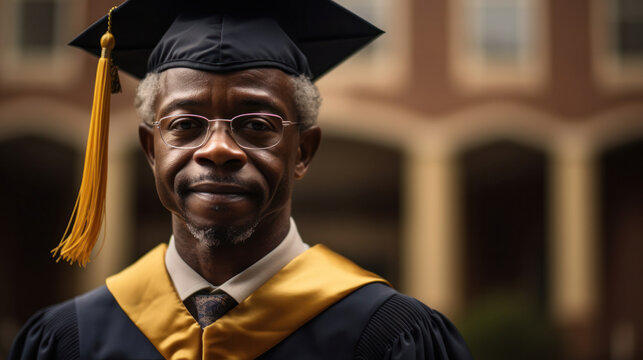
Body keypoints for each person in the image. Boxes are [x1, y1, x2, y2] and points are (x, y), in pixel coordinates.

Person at [10, 0, 473, 359]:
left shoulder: (390, 338)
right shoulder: (69, 342)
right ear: (151, 150)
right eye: (185, 124)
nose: (217, 149)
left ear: (303, 152)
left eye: (256, 125)